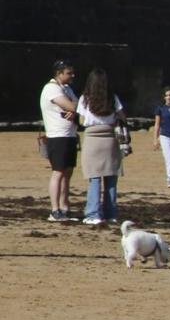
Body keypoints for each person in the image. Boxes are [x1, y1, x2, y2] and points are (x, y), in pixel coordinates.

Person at [76, 68, 127, 227]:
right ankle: (111, 213)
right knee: (111, 178)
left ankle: (93, 213)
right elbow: (122, 116)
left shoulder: (85, 99)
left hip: (92, 139)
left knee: (94, 178)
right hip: (110, 139)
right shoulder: (113, 98)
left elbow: (82, 121)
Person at [40, 60, 79, 222]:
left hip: (70, 135)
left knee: (68, 172)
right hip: (57, 136)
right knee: (58, 172)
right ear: (59, 73)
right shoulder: (51, 89)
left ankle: (64, 207)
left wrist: (75, 109)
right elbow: (72, 105)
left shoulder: (67, 88)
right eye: (69, 73)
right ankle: (55, 210)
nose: (72, 76)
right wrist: (74, 107)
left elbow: (78, 104)